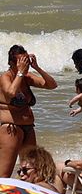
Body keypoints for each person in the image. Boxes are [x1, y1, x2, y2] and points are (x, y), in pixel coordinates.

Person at [0, 46, 56, 176]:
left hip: (28, 128)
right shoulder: (5, 77)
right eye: (21, 62)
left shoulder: (26, 77)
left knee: (32, 172)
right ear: (11, 63)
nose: (25, 65)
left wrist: (36, 67)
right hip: (11, 129)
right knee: (4, 174)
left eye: (26, 61)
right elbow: (11, 93)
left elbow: (52, 85)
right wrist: (20, 72)